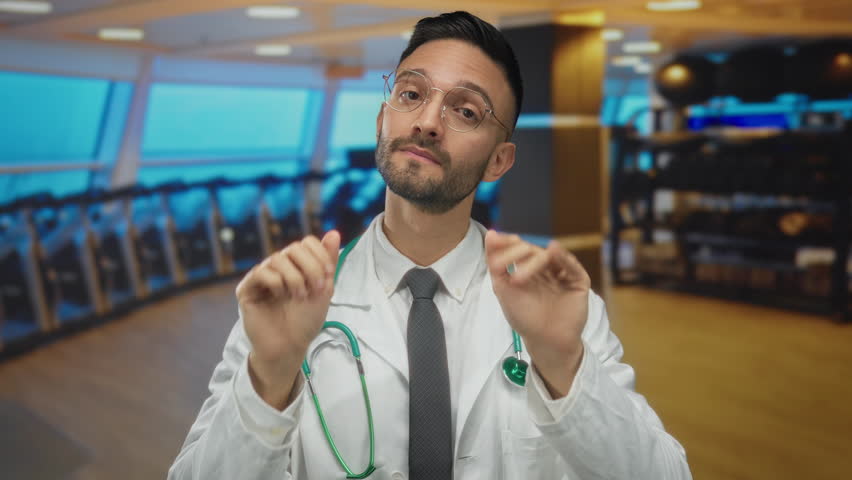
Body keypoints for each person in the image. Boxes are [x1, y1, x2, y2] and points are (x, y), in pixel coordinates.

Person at [168, 11, 692, 480]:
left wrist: (565, 368)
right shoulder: (289, 305)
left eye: (466, 111)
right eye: (411, 94)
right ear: (382, 120)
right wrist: (268, 380)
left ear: (499, 161)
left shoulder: (559, 317)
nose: (426, 122)